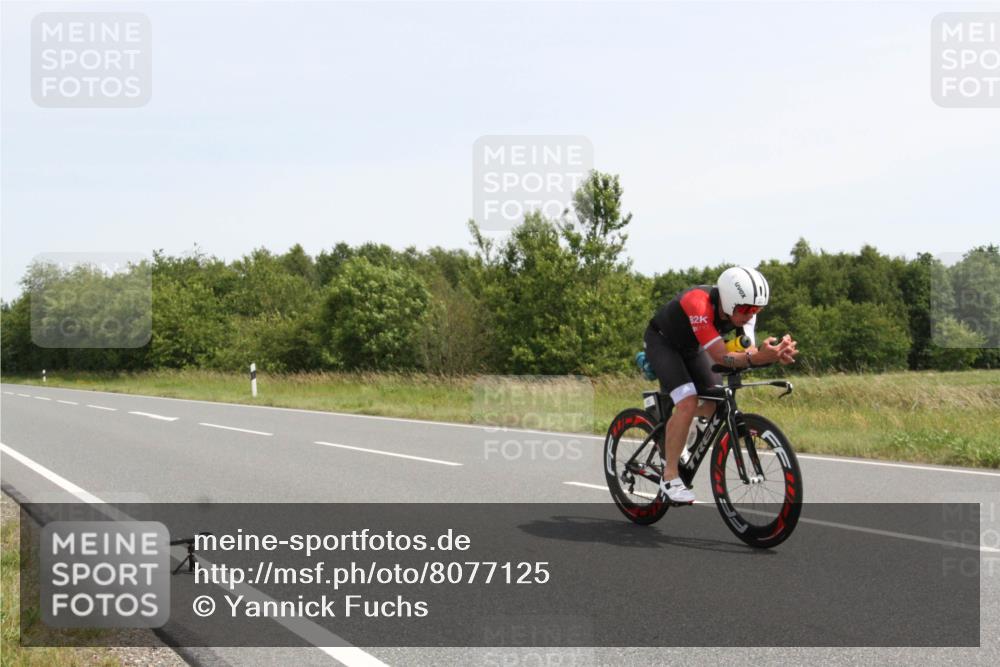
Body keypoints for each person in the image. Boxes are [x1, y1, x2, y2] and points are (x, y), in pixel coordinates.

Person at [644, 266, 798, 503]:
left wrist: (772, 354)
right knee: (687, 402)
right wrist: (757, 357)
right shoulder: (698, 303)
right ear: (727, 300)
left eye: (756, 309)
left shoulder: (744, 310)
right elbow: (722, 357)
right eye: (746, 309)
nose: (750, 314)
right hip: (663, 343)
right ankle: (670, 476)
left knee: (715, 403)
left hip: (694, 347)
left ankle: (680, 430)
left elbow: (745, 353)